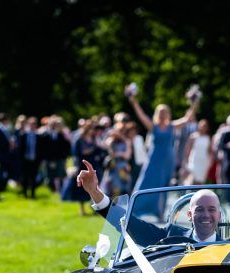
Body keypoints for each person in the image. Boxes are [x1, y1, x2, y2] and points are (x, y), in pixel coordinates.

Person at [77, 159, 222, 245]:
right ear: (189, 215)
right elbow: (129, 223)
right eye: (199, 210)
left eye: (211, 209)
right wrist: (95, 192)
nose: (206, 215)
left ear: (219, 215)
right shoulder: (172, 236)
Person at [127, 88, 198, 219]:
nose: (163, 114)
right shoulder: (153, 126)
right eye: (161, 112)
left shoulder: (172, 126)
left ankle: (160, 212)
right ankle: (135, 208)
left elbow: (187, 119)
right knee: (146, 182)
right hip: (154, 159)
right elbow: (141, 115)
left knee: (164, 186)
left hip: (168, 160)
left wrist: (193, 103)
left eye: (165, 112)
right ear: (157, 113)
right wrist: (134, 102)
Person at [182, 119, 212, 185]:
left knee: (200, 181)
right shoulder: (193, 137)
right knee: (191, 178)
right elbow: (188, 149)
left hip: (203, 161)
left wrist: (210, 161)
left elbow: (210, 150)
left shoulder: (207, 138)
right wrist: (186, 160)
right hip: (194, 160)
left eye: (205, 126)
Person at [18, 116, 41, 199]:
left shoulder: (38, 136)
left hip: (34, 159)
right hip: (25, 159)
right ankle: (25, 193)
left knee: (33, 177)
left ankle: (33, 194)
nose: (32, 126)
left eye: (34, 124)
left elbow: (40, 149)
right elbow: (20, 148)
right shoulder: (24, 135)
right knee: (25, 177)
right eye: (31, 124)